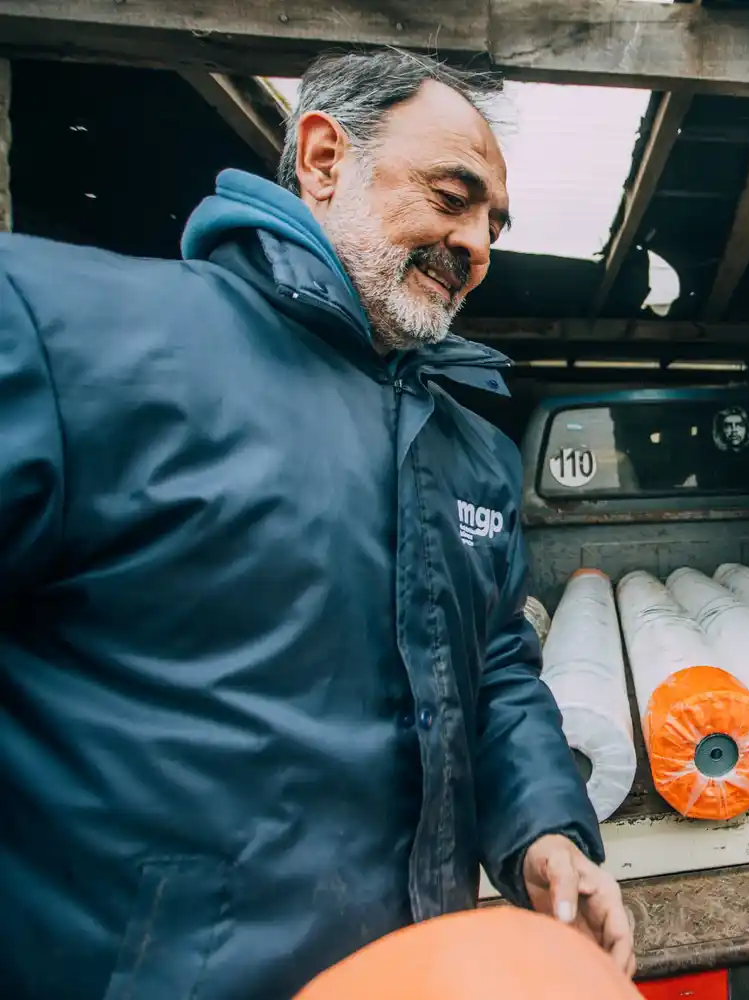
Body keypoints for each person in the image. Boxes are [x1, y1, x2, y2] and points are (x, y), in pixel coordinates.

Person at [0, 50, 632, 1000]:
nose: (476, 246)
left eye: (492, 223)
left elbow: (495, 665)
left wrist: (545, 826)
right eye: (452, 195)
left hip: (414, 970)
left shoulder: (470, 447)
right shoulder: (66, 337)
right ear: (324, 157)